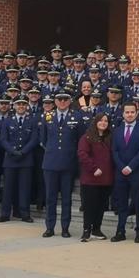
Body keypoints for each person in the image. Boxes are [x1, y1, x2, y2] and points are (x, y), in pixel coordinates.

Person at [40, 91, 85, 237]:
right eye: (59, 99)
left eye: (65, 99)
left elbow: (80, 139)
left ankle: (65, 227)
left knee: (66, 198)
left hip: (68, 163)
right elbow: (44, 140)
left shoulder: (77, 116)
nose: (62, 101)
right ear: (55, 101)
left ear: (70, 100)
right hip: (50, 163)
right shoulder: (47, 116)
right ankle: (50, 227)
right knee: (50, 197)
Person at [111, 102, 139, 242]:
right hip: (121, 172)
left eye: (132, 112)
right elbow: (114, 151)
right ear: (123, 114)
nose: (129, 114)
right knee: (121, 204)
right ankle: (120, 231)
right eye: (127, 112)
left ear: (137, 113)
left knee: (138, 204)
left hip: (136, 172)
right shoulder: (117, 130)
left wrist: (131, 167)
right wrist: (122, 166)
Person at [0, 94, 39, 222]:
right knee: (8, 188)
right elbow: (3, 139)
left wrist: (22, 152)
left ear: (27, 106)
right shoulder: (7, 121)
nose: (21, 106)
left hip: (26, 159)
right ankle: (5, 213)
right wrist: (13, 151)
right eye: (18, 104)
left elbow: (34, 139)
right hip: (10, 159)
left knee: (24, 188)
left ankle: (24, 214)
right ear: (14, 106)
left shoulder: (32, 120)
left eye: (23, 104)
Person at [77, 112, 114, 241]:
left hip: (106, 179)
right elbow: (82, 154)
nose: (103, 123)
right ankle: (86, 230)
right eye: (101, 120)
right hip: (91, 179)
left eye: (106, 121)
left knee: (101, 206)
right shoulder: (87, 137)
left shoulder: (110, 137)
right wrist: (93, 168)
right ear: (95, 122)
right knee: (89, 206)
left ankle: (96, 229)